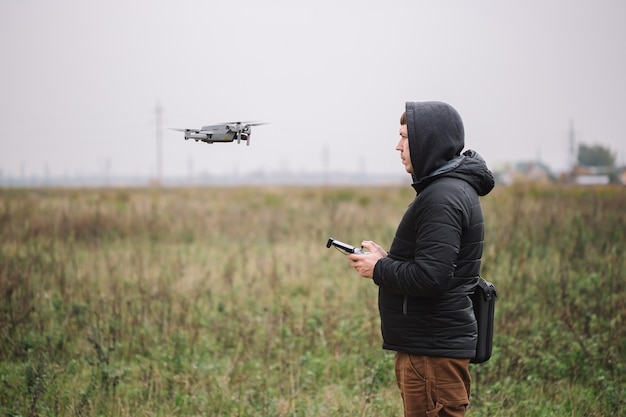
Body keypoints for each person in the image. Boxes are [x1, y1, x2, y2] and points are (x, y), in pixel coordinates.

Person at [348, 101, 494, 417]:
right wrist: (388, 260)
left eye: (405, 137)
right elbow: (437, 266)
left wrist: (379, 268)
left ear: (429, 141)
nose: (397, 146)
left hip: (433, 352)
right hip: (430, 347)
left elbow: (432, 277)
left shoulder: (442, 196)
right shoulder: (448, 190)